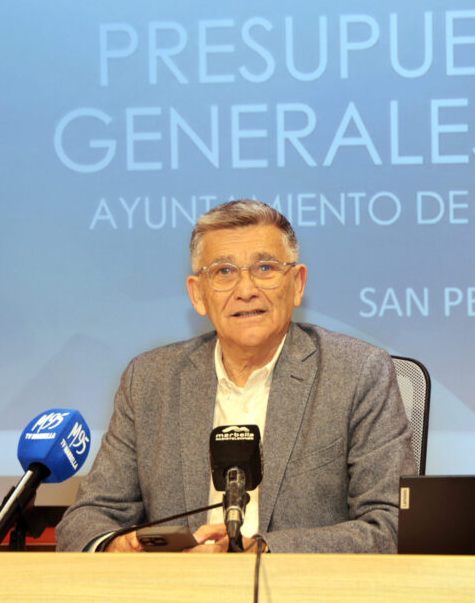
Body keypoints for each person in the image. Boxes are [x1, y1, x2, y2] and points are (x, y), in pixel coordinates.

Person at [55, 199, 415, 553]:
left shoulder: (357, 372)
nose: (245, 290)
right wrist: (119, 547)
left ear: (297, 284)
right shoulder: (150, 381)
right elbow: (85, 519)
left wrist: (262, 551)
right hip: (177, 587)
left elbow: (392, 524)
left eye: (265, 268)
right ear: (198, 294)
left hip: (299, 588)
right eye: (224, 272)